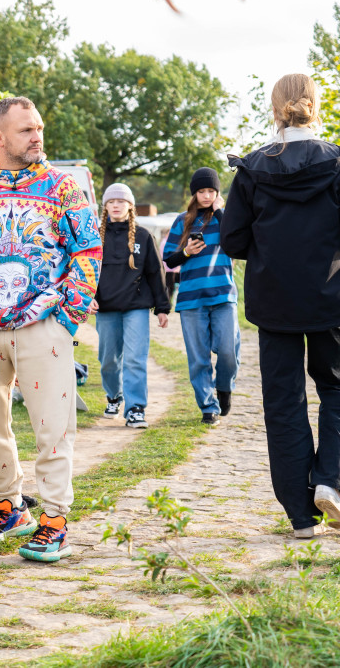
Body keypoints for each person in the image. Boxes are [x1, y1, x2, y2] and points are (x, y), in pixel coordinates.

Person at [0, 96, 102, 563]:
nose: (38, 137)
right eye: (27, 130)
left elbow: (89, 251)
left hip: (42, 323)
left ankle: (54, 519)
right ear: (1, 137)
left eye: (40, 128)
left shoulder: (62, 186)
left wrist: (68, 316)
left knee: (53, 426)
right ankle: (10, 506)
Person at [221, 73, 340, 539]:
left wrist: (272, 251)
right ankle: (330, 480)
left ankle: (299, 514)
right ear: (315, 105)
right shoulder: (336, 163)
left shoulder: (251, 168)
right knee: (335, 389)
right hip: (331, 298)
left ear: (275, 110)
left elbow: (231, 239)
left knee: (284, 402)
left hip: (274, 302)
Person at [162, 167, 240, 427]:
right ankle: (208, 407)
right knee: (198, 358)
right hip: (191, 299)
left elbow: (237, 245)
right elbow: (168, 260)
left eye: (211, 191)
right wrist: (186, 252)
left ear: (218, 192)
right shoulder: (182, 220)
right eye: (201, 191)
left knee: (228, 352)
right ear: (194, 193)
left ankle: (224, 388)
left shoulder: (226, 218)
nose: (206, 196)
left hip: (223, 296)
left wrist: (219, 210)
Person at [94, 183, 171, 429]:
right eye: (111, 202)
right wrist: (87, 297)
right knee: (108, 360)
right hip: (105, 307)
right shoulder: (94, 236)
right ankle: (114, 396)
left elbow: (155, 272)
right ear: (105, 206)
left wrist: (162, 307)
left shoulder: (143, 236)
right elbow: (85, 270)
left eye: (121, 201)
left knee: (135, 359)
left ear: (130, 206)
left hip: (136, 307)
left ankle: (136, 408)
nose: (116, 205)